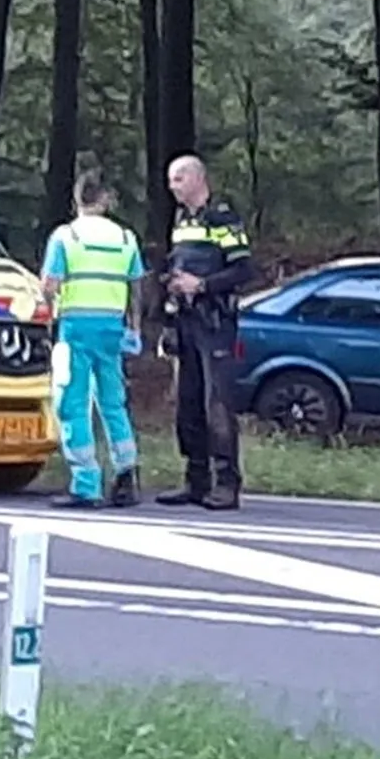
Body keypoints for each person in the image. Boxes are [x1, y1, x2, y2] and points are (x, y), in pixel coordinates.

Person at [38, 170, 146, 509]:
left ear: (76, 198)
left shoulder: (66, 236)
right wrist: (135, 327)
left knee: (71, 403)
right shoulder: (126, 238)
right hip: (112, 330)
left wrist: (43, 308)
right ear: (105, 200)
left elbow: (50, 285)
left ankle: (86, 482)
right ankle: (127, 474)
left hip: (74, 330)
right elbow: (136, 286)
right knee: (113, 403)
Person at [158, 153, 257, 510]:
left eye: (179, 178)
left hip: (215, 322)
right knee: (188, 403)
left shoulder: (222, 217)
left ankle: (227, 483)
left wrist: (202, 285)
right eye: (171, 180)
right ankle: (195, 480)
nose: (172, 187)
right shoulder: (182, 219)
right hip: (185, 321)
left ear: (198, 179)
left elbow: (244, 270)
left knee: (217, 403)